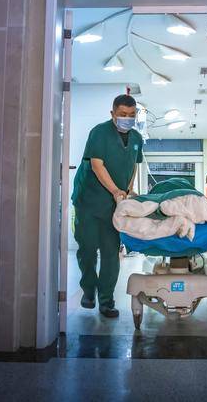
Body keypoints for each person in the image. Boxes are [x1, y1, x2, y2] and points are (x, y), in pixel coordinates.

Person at [71, 94, 143, 318]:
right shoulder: (99, 133)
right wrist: (114, 190)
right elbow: (96, 165)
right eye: (122, 114)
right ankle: (88, 289)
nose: (127, 118)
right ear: (112, 114)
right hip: (89, 201)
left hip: (115, 204)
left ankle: (106, 301)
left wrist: (128, 189)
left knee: (111, 253)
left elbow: (133, 165)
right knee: (87, 249)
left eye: (131, 115)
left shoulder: (137, 138)